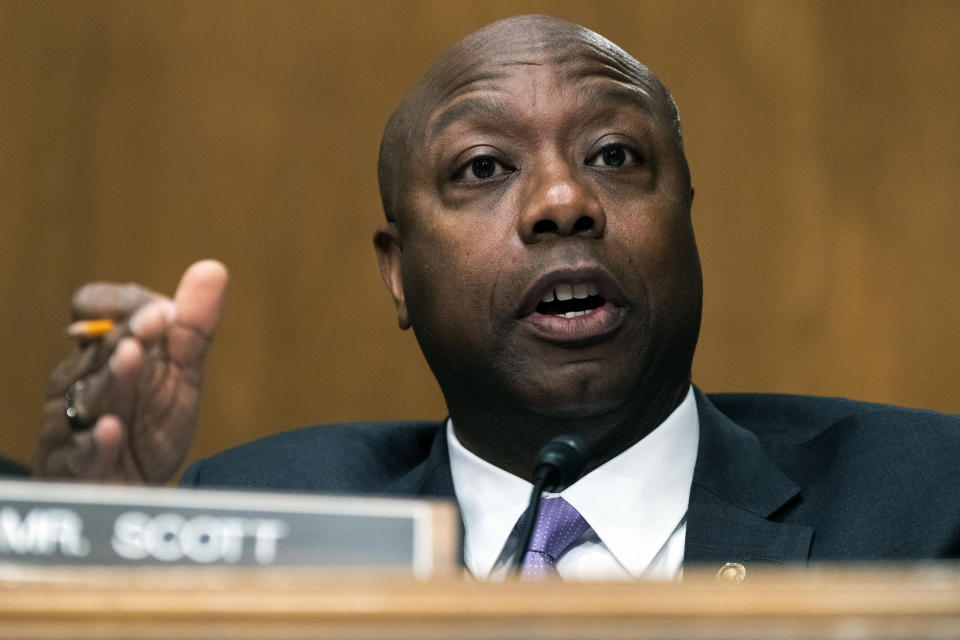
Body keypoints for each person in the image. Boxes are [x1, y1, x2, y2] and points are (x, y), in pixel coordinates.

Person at [32, 15, 960, 580]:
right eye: (482, 167)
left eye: (614, 156)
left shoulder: (926, 505)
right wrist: (91, 550)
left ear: (686, 216)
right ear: (398, 272)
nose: (564, 202)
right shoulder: (254, 510)